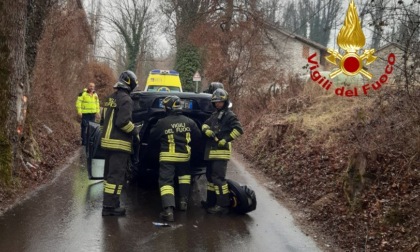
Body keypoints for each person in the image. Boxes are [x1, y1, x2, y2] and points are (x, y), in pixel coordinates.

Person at [149, 96, 200, 222]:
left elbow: (152, 137)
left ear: (169, 108)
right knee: (184, 179)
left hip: (167, 158)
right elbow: (198, 138)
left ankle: (168, 211)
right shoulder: (190, 122)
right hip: (184, 158)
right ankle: (183, 203)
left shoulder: (162, 122)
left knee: (166, 183)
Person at [100, 70, 140, 216]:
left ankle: (110, 203)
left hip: (107, 142)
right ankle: (110, 207)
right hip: (119, 144)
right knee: (116, 176)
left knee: (109, 176)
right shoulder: (127, 100)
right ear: (131, 83)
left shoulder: (109, 98)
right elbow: (122, 122)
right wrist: (135, 131)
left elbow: (102, 121)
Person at [201, 88, 243, 214]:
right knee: (210, 178)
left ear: (225, 102)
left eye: (220, 102)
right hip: (211, 152)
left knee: (218, 179)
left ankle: (222, 205)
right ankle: (211, 202)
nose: (218, 104)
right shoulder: (214, 115)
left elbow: (239, 130)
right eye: (216, 102)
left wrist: (226, 139)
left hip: (221, 152)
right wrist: (205, 129)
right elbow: (205, 124)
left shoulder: (230, 115)